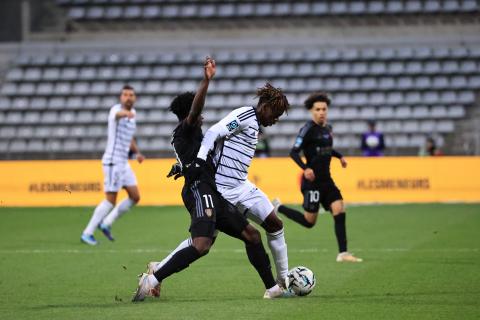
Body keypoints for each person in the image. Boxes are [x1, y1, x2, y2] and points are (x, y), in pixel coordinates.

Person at [132, 58, 285, 301]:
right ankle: (152, 278)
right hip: (199, 190)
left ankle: (273, 289)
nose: (201, 116)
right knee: (202, 244)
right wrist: (206, 80)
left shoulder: (188, 135)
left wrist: (181, 166)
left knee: (252, 236)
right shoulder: (188, 127)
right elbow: (195, 113)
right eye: (197, 112)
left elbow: (195, 154)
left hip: (210, 189)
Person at [185, 82, 291, 285]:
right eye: (274, 114)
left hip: (242, 186)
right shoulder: (244, 116)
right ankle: (159, 268)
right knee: (202, 244)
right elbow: (213, 132)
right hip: (221, 190)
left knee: (275, 224)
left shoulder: (256, 125)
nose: (275, 120)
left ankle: (283, 280)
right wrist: (199, 160)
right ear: (265, 106)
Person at [273, 92, 362, 262]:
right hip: (312, 183)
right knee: (309, 222)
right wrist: (305, 168)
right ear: (311, 111)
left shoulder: (328, 129)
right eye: (318, 109)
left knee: (339, 209)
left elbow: (326, 149)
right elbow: (293, 152)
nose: (321, 112)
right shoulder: (307, 129)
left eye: (324, 109)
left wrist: (339, 156)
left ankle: (343, 253)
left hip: (326, 180)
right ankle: (279, 208)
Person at [80, 85, 145, 245]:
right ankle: (87, 233)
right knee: (110, 200)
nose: (128, 97)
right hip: (112, 162)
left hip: (124, 163)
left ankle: (106, 223)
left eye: (131, 95)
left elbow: (129, 137)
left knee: (135, 197)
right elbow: (117, 115)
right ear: (121, 98)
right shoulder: (115, 110)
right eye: (125, 95)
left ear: (135, 98)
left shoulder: (133, 114)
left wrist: (137, 153)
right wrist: (125, 113)